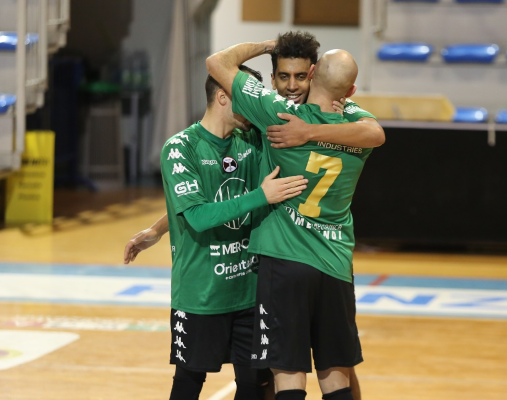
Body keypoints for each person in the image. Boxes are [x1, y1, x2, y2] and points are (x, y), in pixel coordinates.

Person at [125, 31, 384, 400]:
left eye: (300, 77)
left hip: (269, 273)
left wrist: (307, 130)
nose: (291, 86)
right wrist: (158, 228)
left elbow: (217, 62)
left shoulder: (271, 125)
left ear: (313, 76)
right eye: (283, 77)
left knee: (279, 377)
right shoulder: (344, 126)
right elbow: (198, 206)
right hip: (252, 278)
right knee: (331, 369)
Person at [206, 40, 376, 400]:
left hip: (284, 263)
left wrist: (272, 45)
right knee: (337, 376)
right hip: (335, 263)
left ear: (311, 74)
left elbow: (217, 62)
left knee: (287, 375)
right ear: (350, 92)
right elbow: (377, 133)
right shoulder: (357, 127)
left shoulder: (277, 112)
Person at [159, 64, 308, 400]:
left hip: (250, 291)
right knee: (188, 382)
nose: (254, 107)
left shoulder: (252, 140)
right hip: (201, 293)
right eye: (246, 97)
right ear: (224, 96)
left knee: (255, 386)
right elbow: (197, 215)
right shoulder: (180, 147)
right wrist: (261, 196)